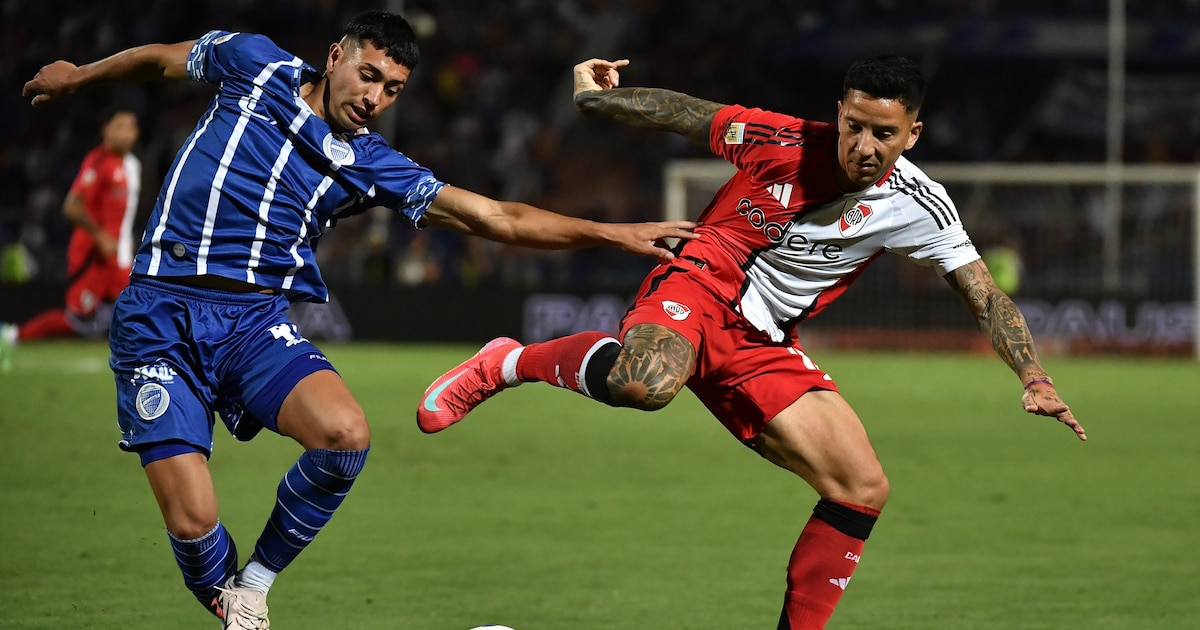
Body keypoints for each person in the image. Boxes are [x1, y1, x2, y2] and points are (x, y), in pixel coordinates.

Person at [22, 14, 694, 629]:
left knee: (345, 434)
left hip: (252, 324)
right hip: (158, 318)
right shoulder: (254, 63)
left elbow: (497, 218)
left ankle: (252, 587)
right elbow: (164, 59)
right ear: (336, 55)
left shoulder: (372, 164)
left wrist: (614, 233)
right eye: (368, 75)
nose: (375, 97)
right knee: (194, 520)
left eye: (393, 89)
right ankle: (231, 608)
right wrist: (80, 76)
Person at [417, 55, 1087, 629]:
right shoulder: (782, 139)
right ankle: (509, 361)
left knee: (861, 485)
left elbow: (984, 293)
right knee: (643, 384)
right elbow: (684, 113)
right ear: (840, 112)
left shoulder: (920, 204)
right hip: (700, 280)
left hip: (763, 341)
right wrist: (597, 99)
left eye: (883, 134)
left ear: (912, 133)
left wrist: (1033, 377)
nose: (863, 145)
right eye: (854, 125)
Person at [1, 108, 140, 357]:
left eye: (130, 127)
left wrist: (126, 241)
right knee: (79, 319)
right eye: (120, 126)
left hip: (117, 257)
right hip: (91, 256)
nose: (126, 133)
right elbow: (72, 206)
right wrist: (99, 236)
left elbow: (125, 213)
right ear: (106, 130)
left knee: (134, 309)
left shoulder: (132, 166)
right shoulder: (98, 161)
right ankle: (12, 335)